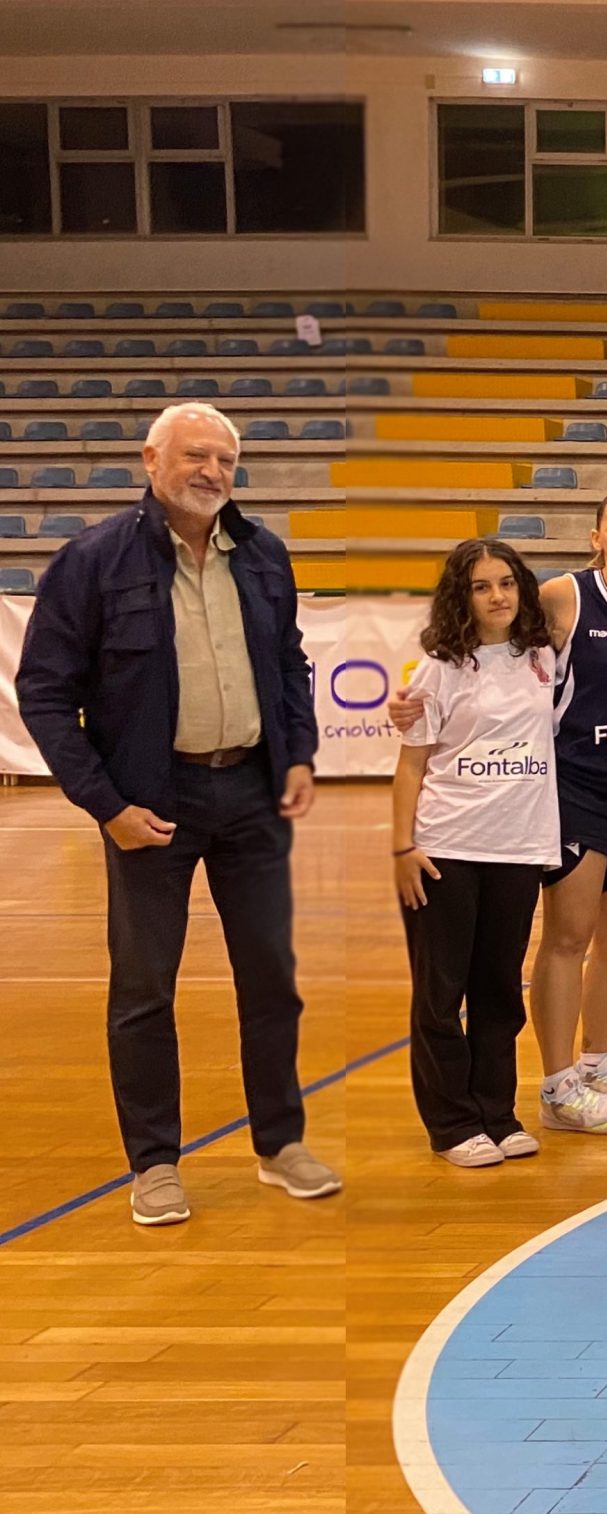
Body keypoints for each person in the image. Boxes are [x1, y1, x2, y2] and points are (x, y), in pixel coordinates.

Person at [18, 401, 337, 1224]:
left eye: (225, 459)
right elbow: (44, 694)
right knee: (143, 991)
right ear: (151, 460)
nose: (212, 472)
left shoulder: (262, 554)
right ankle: (154, 1163)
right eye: (196, 455)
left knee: (271, 979)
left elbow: (289, 663)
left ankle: (280, 1144)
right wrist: (106, 805)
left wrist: (298, 753)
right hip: (148, 806)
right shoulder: (92, 561)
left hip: (252, 796)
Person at [391, 489, 607, 1133]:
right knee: (567, 936)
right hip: (576, 789)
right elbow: (469, 647)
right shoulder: (561, 597)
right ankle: (557, 1082)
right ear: (596, 537)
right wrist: (407, 703)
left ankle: (599, 1063)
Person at [391, 539, 561, 1165]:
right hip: (445, 848)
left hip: (518, 847)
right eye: (482, 586)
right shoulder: (438, 669)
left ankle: (498, 1113)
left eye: (507, 583)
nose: (497, 597)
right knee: (440, 996)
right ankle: (452, 1125)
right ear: (460, 597)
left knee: (499, 991)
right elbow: (411, 766)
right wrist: (402, 848)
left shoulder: (542, 656)